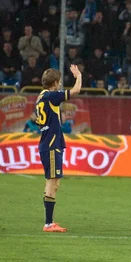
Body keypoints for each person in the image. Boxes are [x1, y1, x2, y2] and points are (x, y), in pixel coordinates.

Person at [35, 65, 83, 232]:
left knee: (54, 182)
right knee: (52, 182)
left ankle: (50, 222)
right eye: (59, 81)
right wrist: (78, 75)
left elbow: (38, 120)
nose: (60, 84)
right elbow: (76, 90)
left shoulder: (40, 97)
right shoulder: (51, 96)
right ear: (55, 83)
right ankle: (48, 223)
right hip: (51, 144)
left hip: (47, 143)